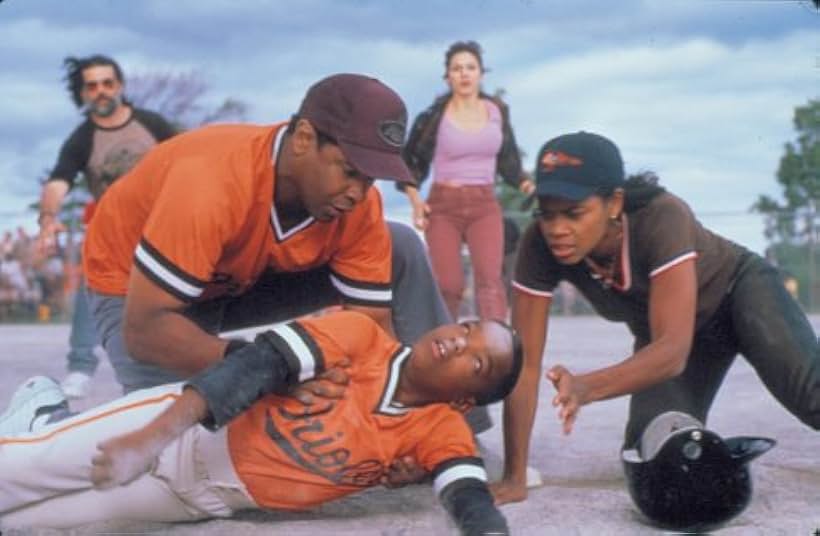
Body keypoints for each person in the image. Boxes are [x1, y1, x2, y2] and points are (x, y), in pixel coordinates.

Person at [60, 72, 447, 399]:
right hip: (137, 293)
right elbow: (144, 332)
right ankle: (42, 417)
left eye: (371, 177)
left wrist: (395, 407)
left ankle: (446, 412)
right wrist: (271, 371)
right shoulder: (211, 181)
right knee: (177, 450)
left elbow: (372, 331)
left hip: (234, 280)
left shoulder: (357, 202)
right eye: (349, 170)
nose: (359, 193)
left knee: (400, 244)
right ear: (304, 139)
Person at [492, 131, 820, 504]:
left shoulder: (662, 215)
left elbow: (672, 351)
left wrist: (586, 387)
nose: (557, 229)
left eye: (574, 213)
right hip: (676, 335)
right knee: (655, 457)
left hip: (738, 294)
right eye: (546, 214)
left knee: (812, 396)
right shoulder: (538, 245)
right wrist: (514, 475)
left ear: (614, 203)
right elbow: (524, 366)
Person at [0, 311, 522, 534]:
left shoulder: (439, 431)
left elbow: (467, 493)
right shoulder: (362, 337)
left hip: (200, 499)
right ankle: (42, 414)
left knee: (19, 522)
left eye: (477, 362)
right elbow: (255, 364)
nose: (460, 340)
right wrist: (147, 441)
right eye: (470, 327)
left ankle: (46, 421)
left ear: (466, 400)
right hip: (176, 431)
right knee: (12, 473)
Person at [37, 54, 177, 399]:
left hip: (163, 224)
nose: (100, 91)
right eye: (92, 86)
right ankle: (80, 367)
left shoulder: (152, 124)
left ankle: (185, 361)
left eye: (107, 83)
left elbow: (190, 157)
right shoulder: (82, 139)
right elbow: (58, 181)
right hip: (112, 229)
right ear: (83, 94)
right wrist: (48, 219)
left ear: (120, 86)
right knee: (93, 285)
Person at [400, 40, 534, 324]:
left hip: (484, 204)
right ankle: (444, 348)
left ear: (480, 74)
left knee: (490, 281)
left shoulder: (497, 111)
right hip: (443, 205)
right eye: (457, 68)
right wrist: (415, 202)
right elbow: (409, 164)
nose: (464, 74)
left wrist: (525, 183)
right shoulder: (433, 117)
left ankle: (497, 351)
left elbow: (508, 158)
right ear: (448, 76)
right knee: (449, 285)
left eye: (470, 67)